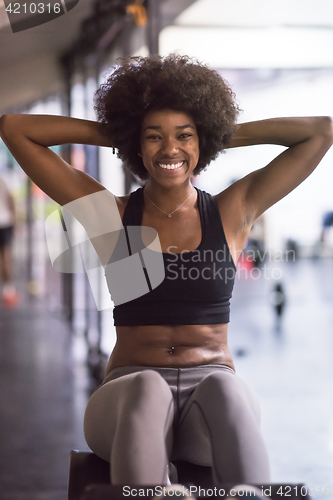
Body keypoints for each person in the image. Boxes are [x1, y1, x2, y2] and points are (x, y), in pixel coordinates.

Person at [0, 54, 332, 486]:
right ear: (137, 146)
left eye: (183, 137)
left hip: (207, 405)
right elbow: (14, 129)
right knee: (149, 387)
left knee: (226, 388)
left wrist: (214, 135)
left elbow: (320, 132)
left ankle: (248, 495)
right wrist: (122, 132)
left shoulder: (232, 211)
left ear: (201, 142)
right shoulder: (111, 216)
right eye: (154, 137)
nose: (170, 149)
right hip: (128, 397)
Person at [0, 175, 18, 306]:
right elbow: (11, 200)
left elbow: (11, 200)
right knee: (6, 257)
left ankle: (8, 290)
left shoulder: (3, 180)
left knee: (5, 258)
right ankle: (8, 290)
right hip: (5, 222)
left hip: (5, 222)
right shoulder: (3, 180)